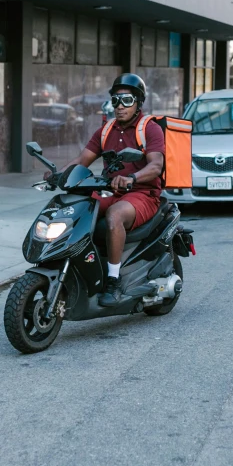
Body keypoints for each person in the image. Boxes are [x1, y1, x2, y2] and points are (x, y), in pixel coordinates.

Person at [45, 73, 165, 307]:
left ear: (138, 102)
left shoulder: (149, 129)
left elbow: (156, 165)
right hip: (111, 190)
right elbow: (82, 160)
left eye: (127, 100)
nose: (120, 106)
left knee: (115, 215)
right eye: (116, 100)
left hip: (142, 193)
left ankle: (113, 279)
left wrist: (132, 177)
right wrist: (58, 175)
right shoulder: (106, 130)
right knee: (76, 207)